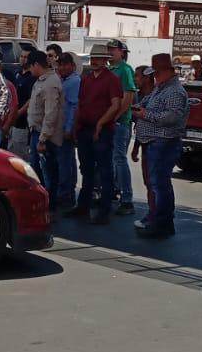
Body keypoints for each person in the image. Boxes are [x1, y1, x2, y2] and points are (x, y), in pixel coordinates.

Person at [132, 53, 188, 239]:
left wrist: (145, 115)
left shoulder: (174, 92)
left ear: (166, 72)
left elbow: (172, 118)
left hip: (163, 142)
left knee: (160, 184)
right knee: (156, 183)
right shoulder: (160, 88)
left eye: (156, 73)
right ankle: (158, 219)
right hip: (154, 141)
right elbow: (148, 105)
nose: (154, 76)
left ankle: (163, 222)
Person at [67, 44, 121, 224]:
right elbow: (80, 104)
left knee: (105, 170)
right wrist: (75, 127)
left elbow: (116, 105)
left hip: (102, 130)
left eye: (98, 58)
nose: (95, 61)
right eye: (93, 57)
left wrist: (101, 123)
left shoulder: (112, 79)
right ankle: (83, 205)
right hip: (85, 128)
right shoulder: (87, 78)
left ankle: (104, 209)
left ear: (106, 60)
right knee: (87, 169)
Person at [26, 50, 64, 201]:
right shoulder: (41, 80)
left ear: (36, 64)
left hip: (46, 136)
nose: (29, 70)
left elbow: (51, 113)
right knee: (37, 172)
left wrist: (43, 139)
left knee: (48, 174)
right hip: (36, 132)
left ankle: (50, 205)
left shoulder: (50, 83)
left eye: (30, 66)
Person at [106, 39, 138, 215]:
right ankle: (113, 191)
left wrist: (114, 117)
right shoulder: (109, 70)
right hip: (109, 122)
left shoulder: (125, 70)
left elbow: (128, 97)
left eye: (114, 49)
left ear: (122, 52)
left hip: (119, 122)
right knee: (110, 159)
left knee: (119, 159)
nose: (111, 52)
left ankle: (127, 199)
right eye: (109, 49)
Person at [129, 65, 157, 228]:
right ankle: (152, 212)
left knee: (156, 183)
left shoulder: (157, 95)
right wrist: (135, 147)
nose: (135, 79)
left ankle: (157, 215)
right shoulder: (138, 96)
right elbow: (139, 123)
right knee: (148, 182)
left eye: (137, 76)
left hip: (157, 143)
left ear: (147, 78)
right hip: (144, 142)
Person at [54, 52, 81, 210]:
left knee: (65, 163)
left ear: (72, 66)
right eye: (60, 65)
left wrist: (69, 128)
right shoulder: (63, 79)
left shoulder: (73, 81)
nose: (62, 68)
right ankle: (67, 194)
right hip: (59, 128)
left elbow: (73, 107)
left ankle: (66, 196)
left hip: (65, 129)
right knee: (66, 162)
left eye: (66, 65)